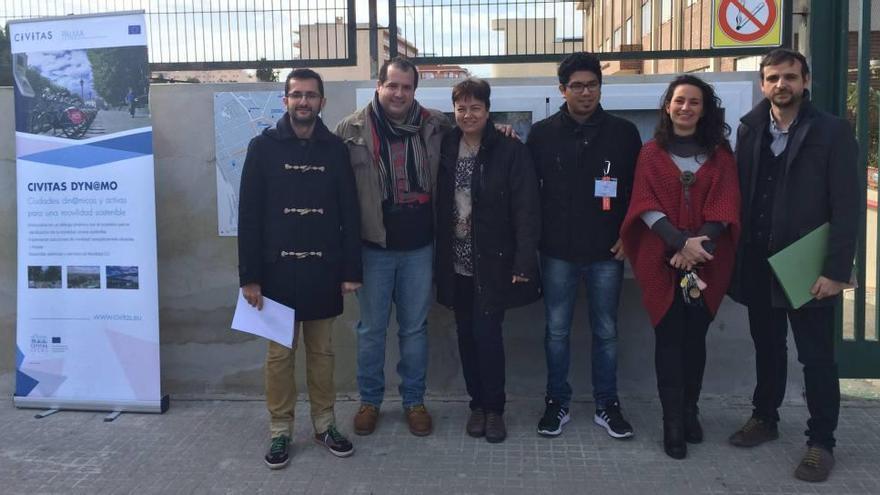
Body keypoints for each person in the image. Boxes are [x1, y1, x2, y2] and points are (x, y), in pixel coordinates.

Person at [726, 48, 858, 482]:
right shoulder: (749, 131)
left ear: (806, 82)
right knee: (767, 348)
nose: (780, 85)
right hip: (759, 263)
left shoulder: (833, 132)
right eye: (772, 78)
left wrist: (837, 271)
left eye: (789, 77)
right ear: (762, 84)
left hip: (808, 267)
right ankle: (765, 418)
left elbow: (846, 206)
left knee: (816, 358)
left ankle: (821, 442)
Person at [238, 68, 362, 469]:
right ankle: (280, 431)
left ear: (322, 102)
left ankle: (325, 424)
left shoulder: (335, 149)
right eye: (296, 95)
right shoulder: (262, 146)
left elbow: (349, 212)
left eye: (311, 95)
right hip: (274, 272)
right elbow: (249, 217)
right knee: (279, 357)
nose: (303, 102)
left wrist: (350, 269)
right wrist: (249, 277)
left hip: (324, 269)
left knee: (323, 353)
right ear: (285, 100)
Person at [620, 75, 741, 459]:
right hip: (663, 259)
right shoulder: (651, 153)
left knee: (695, 340)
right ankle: (672, 422)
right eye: (678, 101)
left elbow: (725, 206)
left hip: (706, 261)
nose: (685, 108)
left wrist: (695, 247)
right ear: (667, 106)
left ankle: (691, 411)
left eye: (694, 102)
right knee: (668, 341)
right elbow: (644, 203)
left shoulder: (720, 154)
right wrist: (678, 243)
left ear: (704, 109)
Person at [527, 52, 642, 439]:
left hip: (608, 252)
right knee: (556, 330)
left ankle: (607, 404)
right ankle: (556, 402)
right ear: (562, 90)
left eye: (592, 84)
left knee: (606, 331)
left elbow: (638, 192)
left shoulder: (623, 134)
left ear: (600, 87)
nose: (585, 92)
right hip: (557, 251)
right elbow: (528, 192)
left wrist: (629, 234)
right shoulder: (542, 134)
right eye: (576, 85)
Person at [334, 57, 450, 437]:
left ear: (415, 90)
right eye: (392, 85)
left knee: (414, 329)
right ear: (378, 87)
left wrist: (501, 129)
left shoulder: (435, 126)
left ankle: (414, 401)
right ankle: (369, 401)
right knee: (371, 330)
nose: (399, 93)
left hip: (420, 247)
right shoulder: (349, 130)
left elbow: (475, 136)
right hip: (373, 248)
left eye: (407, 87)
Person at [435, 78, 541, 443]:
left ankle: (495, 409)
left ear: (488, 110)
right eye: (461, 108)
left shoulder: (509, 149)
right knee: (465, 335)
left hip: (493, 261)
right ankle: (476, 406)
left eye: (475, 108)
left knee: (487, 335)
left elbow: (526, 209)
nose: (468, 115)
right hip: (456, 261)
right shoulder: (446, 145)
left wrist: (523, 262)